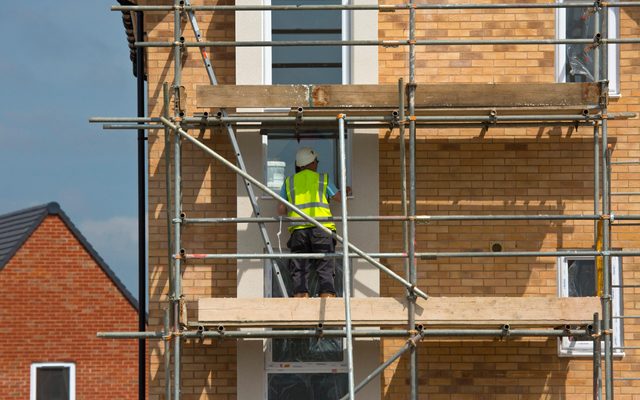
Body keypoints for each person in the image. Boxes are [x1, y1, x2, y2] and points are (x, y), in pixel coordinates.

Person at [277, 147, 352, 298]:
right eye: (316, 161)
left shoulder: (289, 181)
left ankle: (300, 298)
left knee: (300, 267)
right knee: (324, 266)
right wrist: (346, 191)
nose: (317, 164)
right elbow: (338, 198)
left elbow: (280, 209)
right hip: (322, 229)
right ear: (311, 163)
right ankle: (327, 297)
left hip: (298, 231)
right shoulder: (322, 179)